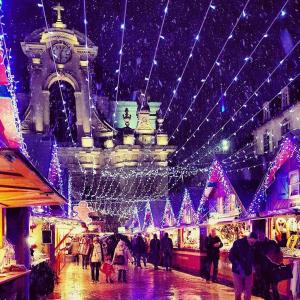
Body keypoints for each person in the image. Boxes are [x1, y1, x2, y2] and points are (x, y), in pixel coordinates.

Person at [229, 232, 258, 300]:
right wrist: (238, 265)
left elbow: (256, 257)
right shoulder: (238, 243)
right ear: (248, 238)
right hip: (238, 271)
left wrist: (254, 266)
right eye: (251, 242)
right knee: (238, 290)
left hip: (248, 271)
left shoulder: (255, 245)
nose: (252, 244)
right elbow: (231, 256)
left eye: (254, 242)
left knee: (248, 291)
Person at [254, 232, 282, 300]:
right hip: (264, 269)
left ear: (264, 235)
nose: (260, 237)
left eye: (261, 235)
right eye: (259, 235)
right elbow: (255, 257)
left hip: (273, 268)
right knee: (266, 288)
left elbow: (279, 253)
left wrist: (277, 262)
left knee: (273, 287)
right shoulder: (257, 244)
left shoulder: (272, 243)